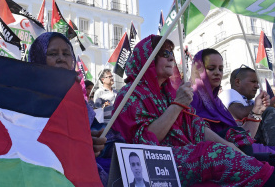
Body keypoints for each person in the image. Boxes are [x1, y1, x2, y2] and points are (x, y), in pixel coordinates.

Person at [112, 35, 275, 186]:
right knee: (215, 154)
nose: (171, 57)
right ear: (147, 57)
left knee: (233, 146)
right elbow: (144, 141)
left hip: (195, 152)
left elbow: (198, 128)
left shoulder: (172, 94)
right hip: (154, 163)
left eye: (172, 53)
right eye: (164, 53)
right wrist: (177, 105)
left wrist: (235, 150)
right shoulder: (130, 95)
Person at [28, 32, 109, 185]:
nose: (61, 58)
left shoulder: (80, 103)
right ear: (38, 58)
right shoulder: (26, 97)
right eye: (52, 53)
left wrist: (94, 142)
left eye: (66, 53)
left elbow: (100, 136)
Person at [191, 49, 275, 154]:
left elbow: (241, 138)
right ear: (198, 71)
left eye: (221, 69)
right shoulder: (190, 101)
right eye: (211, 68)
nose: (217, 72)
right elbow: (227, 143)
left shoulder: (218, 104)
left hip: (241, 153)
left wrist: (257, 111)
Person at [219, 66, 275, 146]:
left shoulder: (250, 102)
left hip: (250, 140)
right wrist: (264, 106)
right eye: (253, 82)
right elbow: (239, 113)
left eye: (257, 83)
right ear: (238, 82)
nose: (257, 86)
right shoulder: (229, 93)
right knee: (269, 111)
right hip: (237, 141)